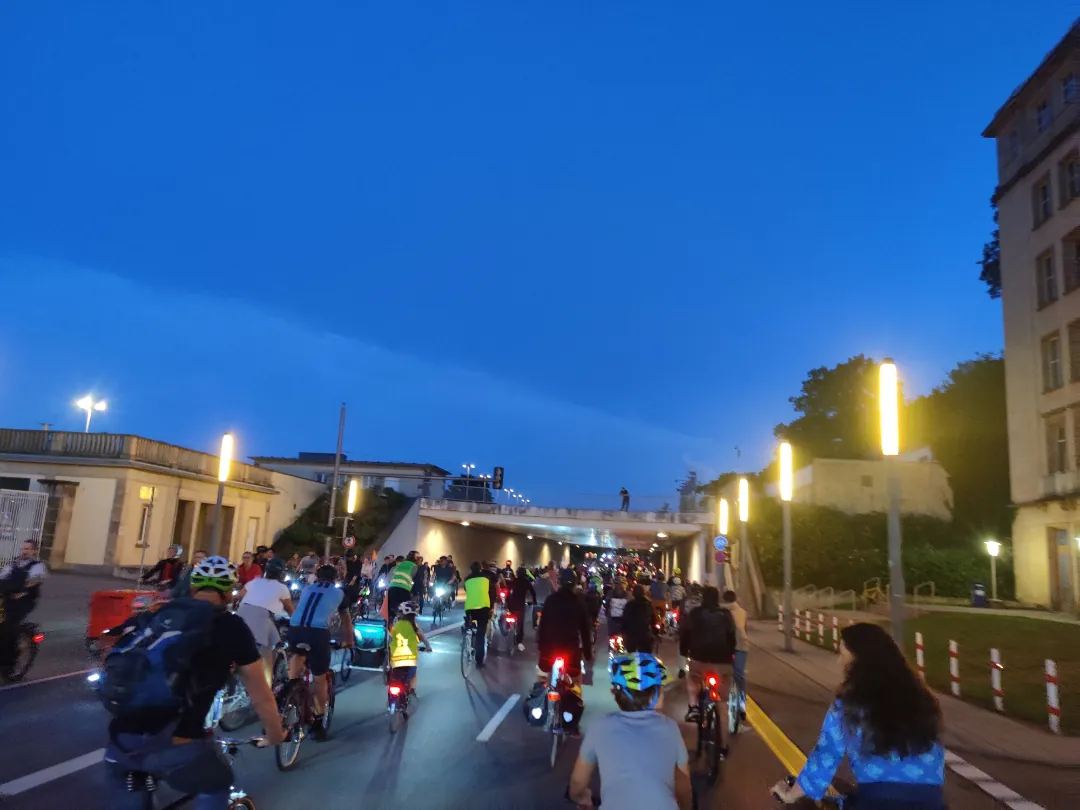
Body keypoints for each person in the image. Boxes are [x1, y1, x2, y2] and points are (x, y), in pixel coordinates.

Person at [102, 556, 286, 809]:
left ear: (193, 587)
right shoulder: (230, 626)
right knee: (217, 785)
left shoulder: (164, 614)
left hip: (119, 743)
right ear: (229, 592)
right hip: (176, 745)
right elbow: (261, 695)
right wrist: (275, 734)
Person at [772, 622, 946, 809]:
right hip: (931, 802)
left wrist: (791, 794)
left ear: (859, 661)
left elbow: (826, 756)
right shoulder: (923, 700)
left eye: (842, 654)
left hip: (877, 802)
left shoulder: (849, 704)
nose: (839, 662)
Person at [569, 653, 692, 810]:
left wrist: (580, 797)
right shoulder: (670, 728)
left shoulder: (599, 728)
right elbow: (684, 786)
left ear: (617, 695)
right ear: (653, 696)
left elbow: (578, 782)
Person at [287, 564, 353, 741]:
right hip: (318, 633)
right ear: (335, 579)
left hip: (295, 628)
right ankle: (317, 724)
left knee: (297, 655)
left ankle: (290, 689)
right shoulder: (340, 594)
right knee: (319, 678)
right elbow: (346, 621)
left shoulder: (307, 589)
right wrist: (349, 641)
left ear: (317, 577)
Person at [680, 586, 737, 749]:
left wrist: (684, 652)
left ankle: (693, 708)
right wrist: (731, 654)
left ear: (703, 598)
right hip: (723, 661)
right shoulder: (726, 615)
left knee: (692, 680)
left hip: (699, 659)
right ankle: (723, 746)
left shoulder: (695, 614)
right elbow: (732, 636)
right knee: (722, 704)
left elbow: (685, 634)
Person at [536, 569, 593, 729]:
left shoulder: (550, 600)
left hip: (549, 649)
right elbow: (585, 631)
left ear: (559, 583)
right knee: (576, 681)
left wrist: (541, 647)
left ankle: (540, 702)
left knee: (542, 676)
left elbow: (543, 626)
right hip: (571, 650)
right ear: (575, 584)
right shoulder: (579, 603)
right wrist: (587, 654)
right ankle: (574, 722)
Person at [236, 557, 294, 685]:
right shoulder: (282, 588)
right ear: (282, 574)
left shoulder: (254, 582)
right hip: (262, 618)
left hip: (241, 614)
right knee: (267, 652)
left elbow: (239, 596)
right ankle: (267, 686)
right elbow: (290, 610)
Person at [0, 539, 48, 682]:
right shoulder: (12, 565)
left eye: (28, 549)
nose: (24, 551)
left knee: (7, 629)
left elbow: (35, 580)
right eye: (23, 548)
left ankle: (8, 666)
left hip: (23, 601)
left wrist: (23, 591)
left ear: (34, 551)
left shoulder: (37, 566)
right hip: (7, 598)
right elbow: (2, 577)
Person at [388, 601, 430, 694]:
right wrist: (428, 647)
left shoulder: (396, 626)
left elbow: (390, 639)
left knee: (393, 673)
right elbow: (423, 638)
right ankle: (412, 691)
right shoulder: (415, 627)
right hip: (410, 660)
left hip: (395, 658)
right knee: (412, 676)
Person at [722, 589, 749, 719]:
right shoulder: (743, 612)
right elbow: (745, 630)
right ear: (735, 599)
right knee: (740, 676)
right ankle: (743, 705)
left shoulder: (721, 611)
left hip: (725, 646)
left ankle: (724, 697)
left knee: (723, 672)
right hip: (742, 646)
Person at [463, 562, 493, 668]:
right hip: (483, 608)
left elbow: (467, 590)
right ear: (480, 569)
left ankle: (467, 634)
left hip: (470, 608)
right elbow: (490, 591)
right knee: (481, 634)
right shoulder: (486, 578)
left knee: (469, 625)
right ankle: (479, 661)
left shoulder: (467, 580)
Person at [506, 566, 537, 651]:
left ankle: (508, 626)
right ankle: (519, 641)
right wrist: (534, 601)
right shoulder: (526, 582)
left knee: (509, 615)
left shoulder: (514, 581)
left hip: (511, 604)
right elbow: (533, 592)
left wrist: (506, 601)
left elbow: (508, 590)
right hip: (520, 605)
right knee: (520, 623)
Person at [621, 585, 655, 654]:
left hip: (631, 636)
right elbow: (653, 620)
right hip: (645, 635)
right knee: (647, 656)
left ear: (633, 594)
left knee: (630, 654)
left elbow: (624, 620)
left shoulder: (629, 605)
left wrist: (623, 631)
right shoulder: (648, 604)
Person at [387, 552, 418, 620]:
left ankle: (389, 622)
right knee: (406, 609)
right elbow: (414, 577)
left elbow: (392, 575)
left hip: (392, 587)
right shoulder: (414, 566)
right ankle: (404, 622)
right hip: (404, 588)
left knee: (391, 607)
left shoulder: (400, 564)